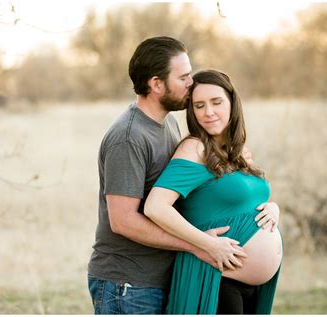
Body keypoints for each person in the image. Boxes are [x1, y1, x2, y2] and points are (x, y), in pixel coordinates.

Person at [87, 37, 276, 314]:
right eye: (184, 77)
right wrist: (200, 245)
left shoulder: (168, 126)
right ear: (157, 84)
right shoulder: (129, 137)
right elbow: (123, 221)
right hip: (127, 283)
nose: (191, 83)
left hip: (160, 276)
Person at [144, 69, 283, 314]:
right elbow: (155, 206)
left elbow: (241, 201)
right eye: (199, 106)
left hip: (247, 284)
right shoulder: (194, 148)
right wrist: (207, 244)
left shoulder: (234, 151)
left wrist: (273, 208)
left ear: (232, 103)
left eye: (216, 102)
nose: (208, 112)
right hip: (218, 279)